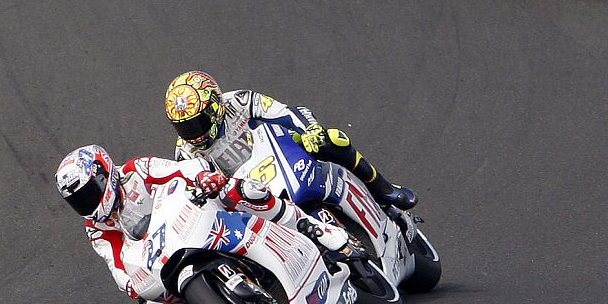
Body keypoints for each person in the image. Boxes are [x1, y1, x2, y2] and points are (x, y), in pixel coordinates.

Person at [54, 145, 349, 304]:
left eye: (90, 192)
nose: (88, 203)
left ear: (105, 174)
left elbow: (179, 170)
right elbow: (116, 262)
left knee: (241, 190)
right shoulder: (96, 227)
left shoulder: (137, 170)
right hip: (163, 255)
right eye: (78, 201)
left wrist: (202, 177)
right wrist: (130, 285)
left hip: (199, 213)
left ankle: (307, 225)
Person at [163, 70, 418, 210]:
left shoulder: (239, 101)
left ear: (214, 108)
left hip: (283, 155)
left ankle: (385, 190)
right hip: (252, 193)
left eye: (197, 123)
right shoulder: (185, 154)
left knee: (333, 139)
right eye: (183, 127)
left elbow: (287, 112)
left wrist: (312, 129)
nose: (192, 133)